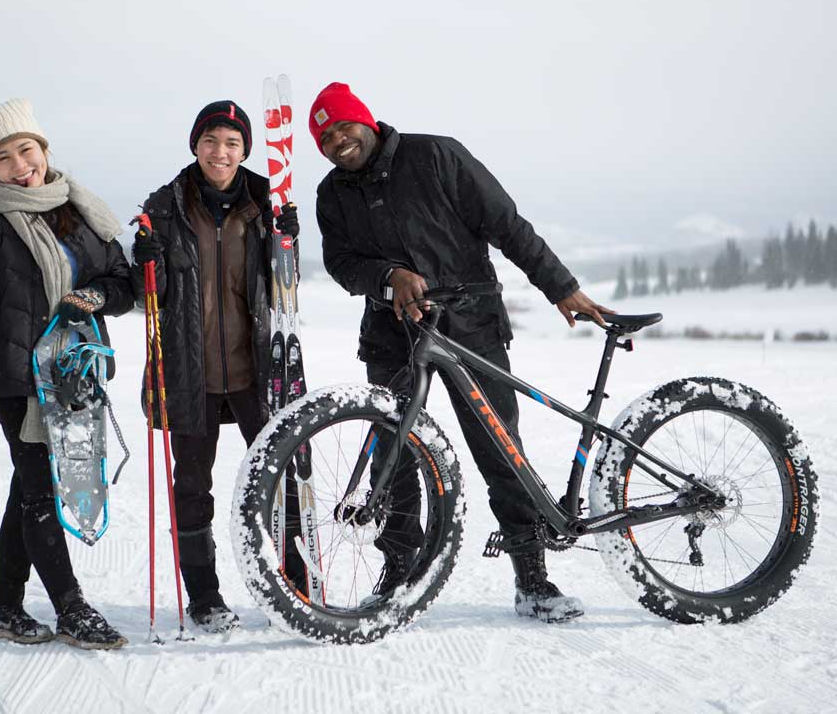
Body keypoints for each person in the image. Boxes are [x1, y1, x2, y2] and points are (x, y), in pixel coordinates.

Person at [310, 82, 615, 623]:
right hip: (393, 333)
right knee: (394, 453)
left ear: (367, 120)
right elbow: (341, 264)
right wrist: (388, 276)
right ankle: (399, 573)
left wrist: (560, 286)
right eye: (326, 137)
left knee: (500, 448)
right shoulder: (332, 194)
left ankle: (533, 580)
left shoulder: (436, 155)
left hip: (470, 325)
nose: (338, 140)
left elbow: (505, 224)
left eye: (343, 127)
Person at [0, 98, 133, 650]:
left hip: (74, 374)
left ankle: (5, 606)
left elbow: (124, 282)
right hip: (19, 380)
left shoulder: (80, 213)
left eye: (26, 150)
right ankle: (70, 608)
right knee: (42, 488)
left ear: (43, 150)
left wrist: (95, 295)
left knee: (29, 485)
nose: (20, 166)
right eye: (3, 158)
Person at [130, 100, 301, 633]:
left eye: (231, 143)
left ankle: (295, 583)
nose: (220, 152)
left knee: (283, 478)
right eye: (211, 141)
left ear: (245, 149)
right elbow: (143, 295)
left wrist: (289, 237)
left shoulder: (267, 204)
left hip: (259, 368)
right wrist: (144, 260)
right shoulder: (164, 207)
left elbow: (286, 285)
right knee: (192, 486)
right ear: (195, 147)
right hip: (191, 370)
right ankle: (204, 596)